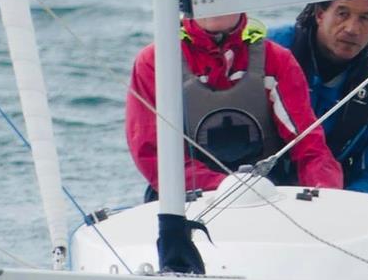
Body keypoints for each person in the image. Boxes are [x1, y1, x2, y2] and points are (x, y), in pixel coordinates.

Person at [126, 13, 343, 196]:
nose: (215, 4)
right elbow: (153, 155)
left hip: (268, 197)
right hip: (186, 200)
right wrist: (228, 189)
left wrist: (324, 193)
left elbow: (310, 147)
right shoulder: (156, 62)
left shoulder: (276, 60)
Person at [268, 0, 368, 197]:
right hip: (256, 194)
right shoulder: (269, 50)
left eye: (364, 18)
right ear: (320, 14)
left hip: (332, 201)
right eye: (343, 13)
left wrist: (338, 204)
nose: (352, 29)